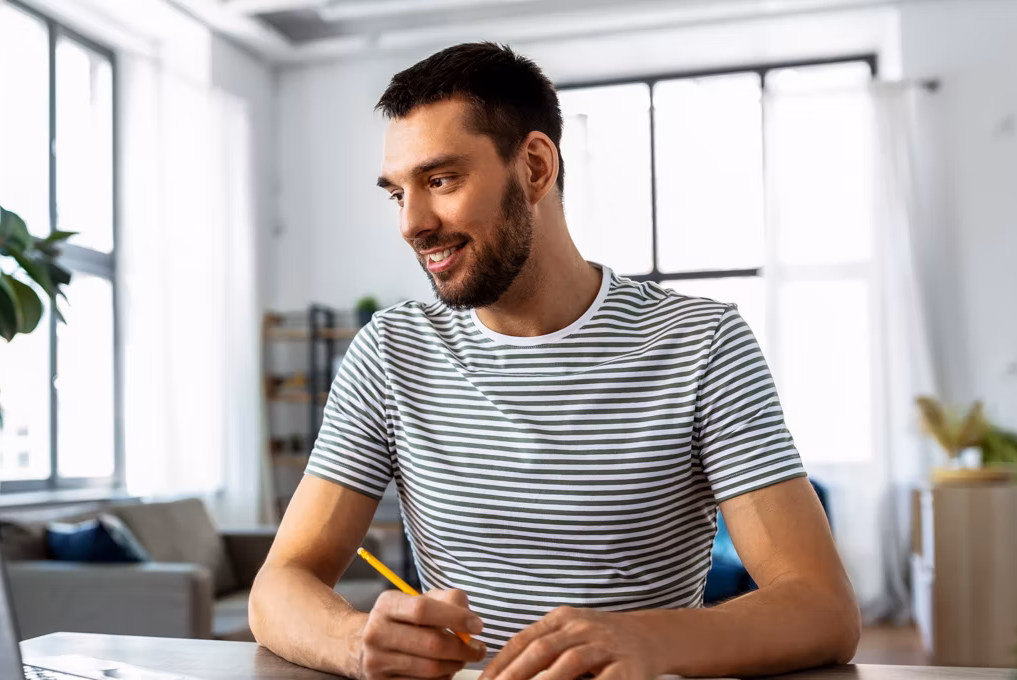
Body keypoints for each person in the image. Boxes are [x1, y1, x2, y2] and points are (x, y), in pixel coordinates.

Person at [249, 42, 859, 680]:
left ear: (535, 167)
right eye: (398, 193)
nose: (412, 223)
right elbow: (278, 586)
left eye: (440, 180)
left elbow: (822, 607)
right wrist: (355, 641)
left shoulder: (702, 343)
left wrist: (646, 639)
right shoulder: (389, 352)